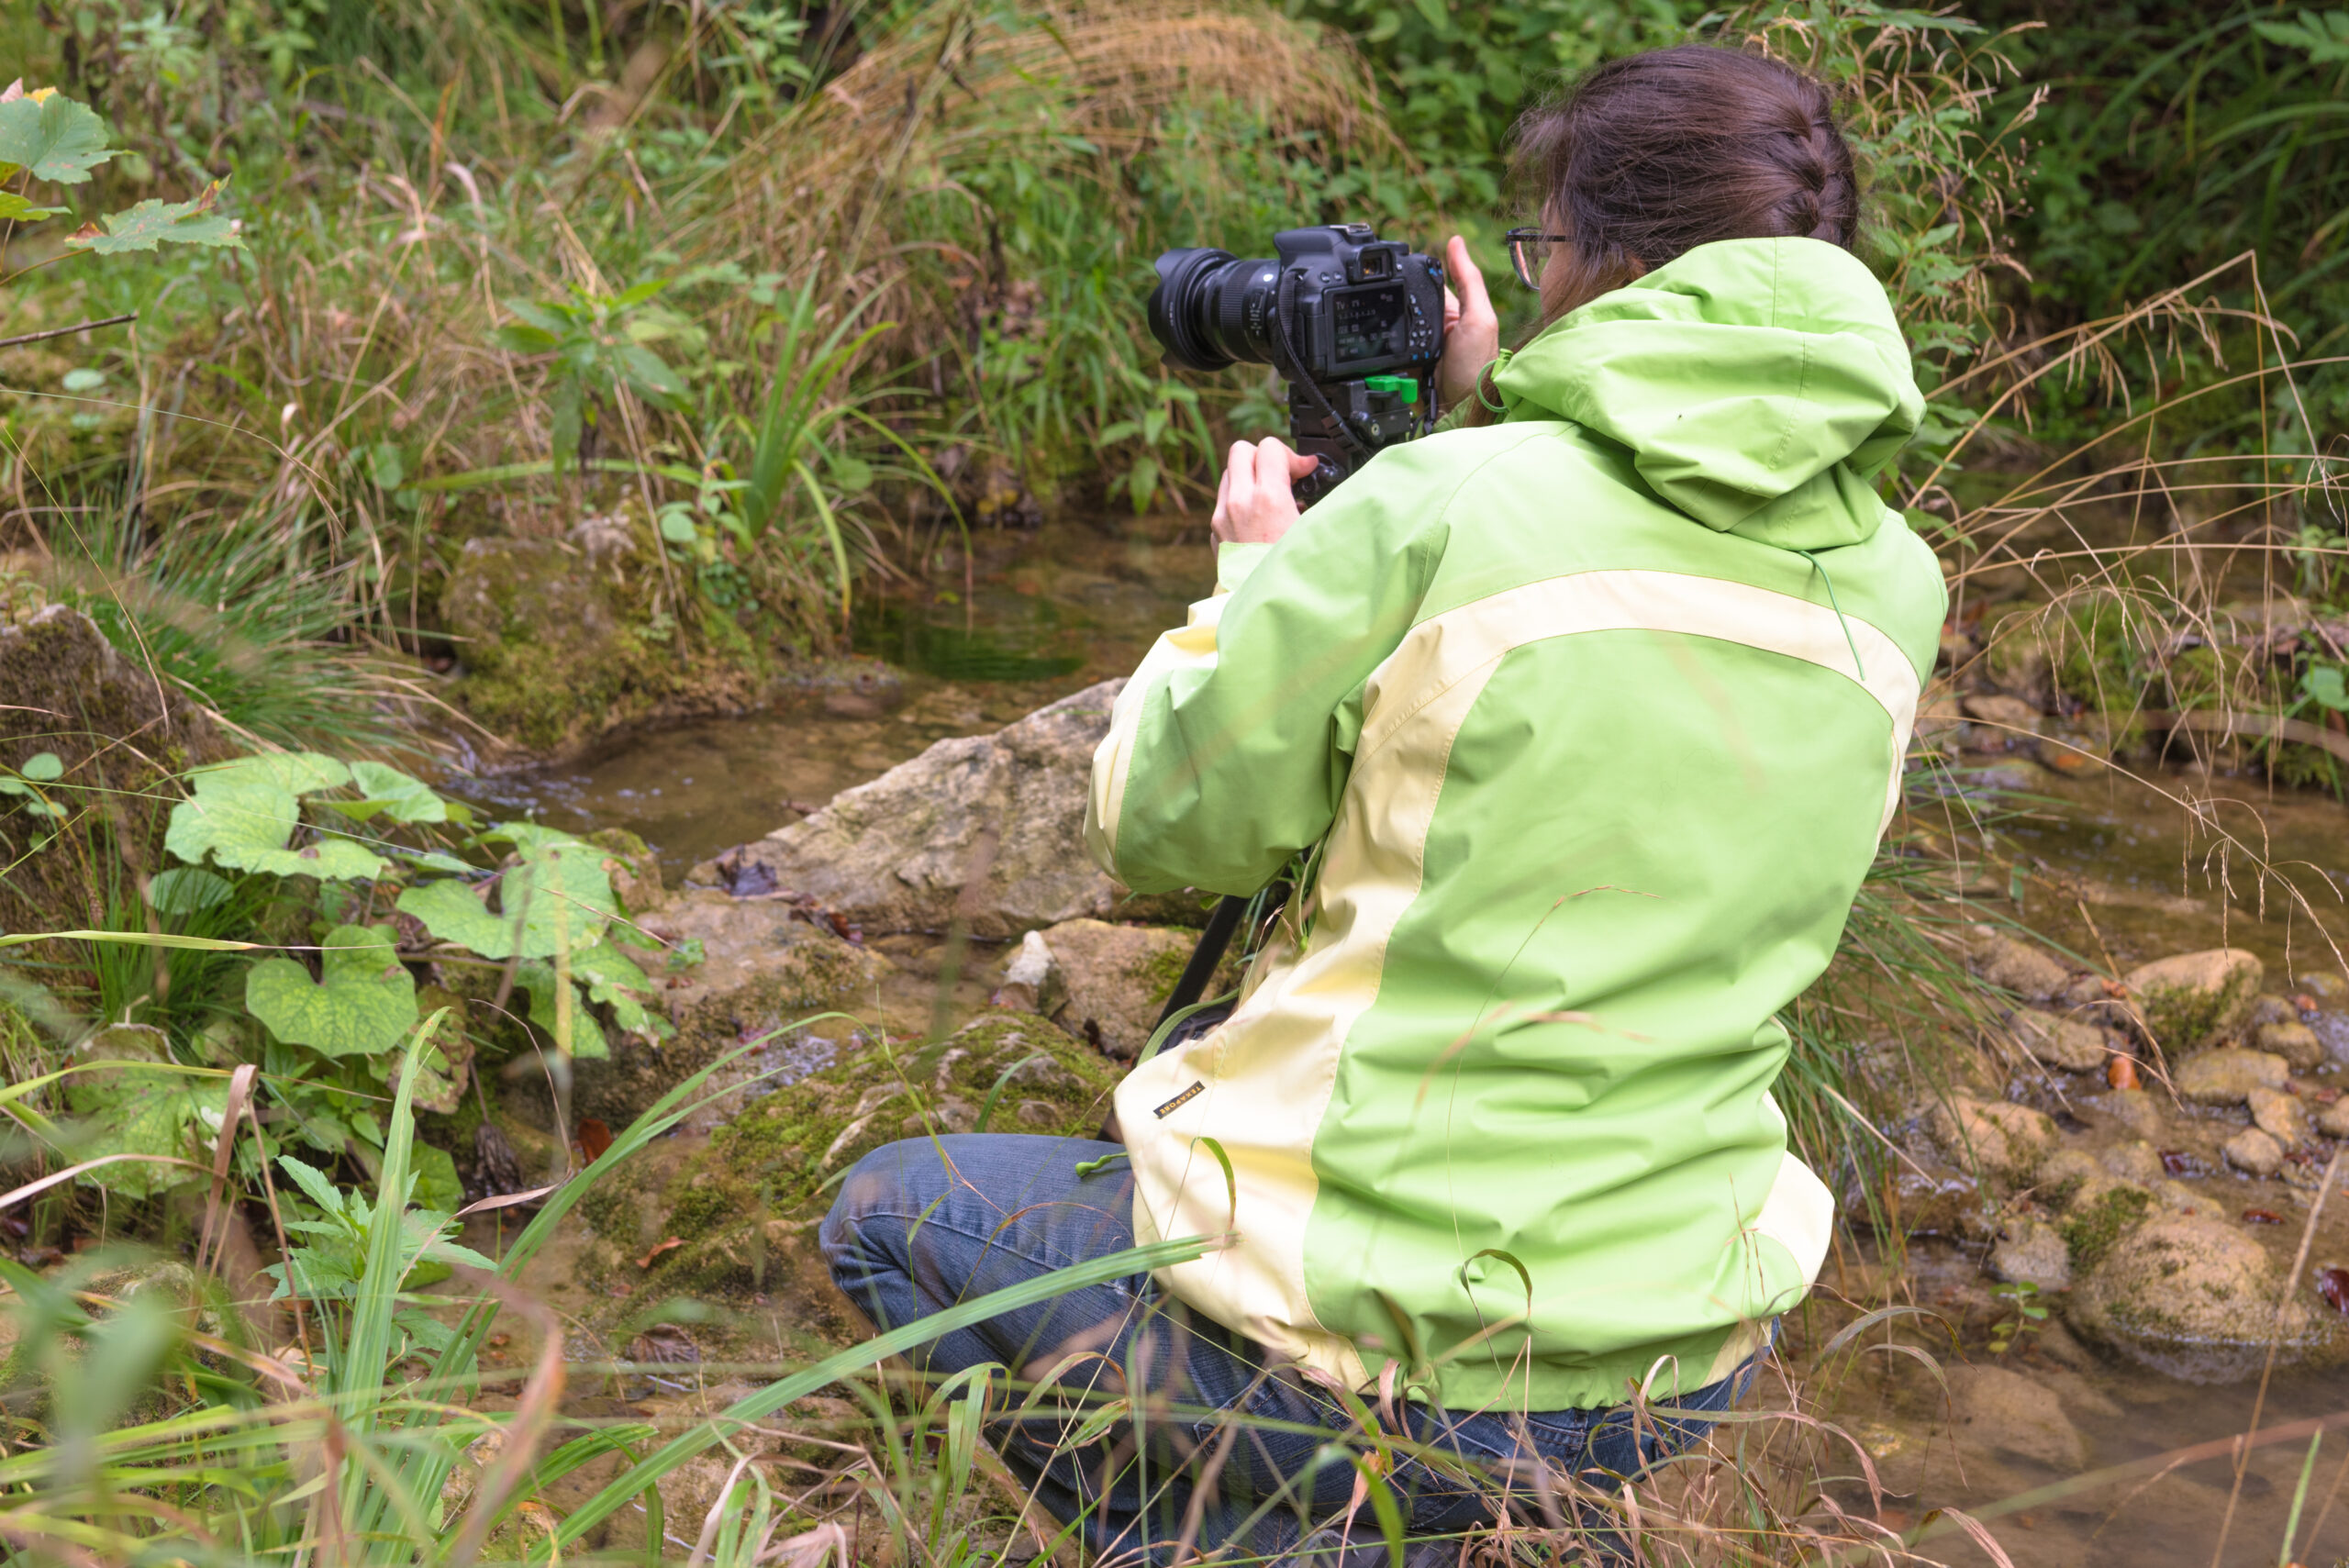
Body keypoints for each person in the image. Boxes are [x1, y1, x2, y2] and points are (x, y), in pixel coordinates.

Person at [822, 41, 1948, 1564]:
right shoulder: (1896, 582)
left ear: (1601, 257)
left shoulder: (1443, 511)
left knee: (894, 1214)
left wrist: (1259, 581)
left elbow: (1169, 824)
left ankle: (1258, 1543)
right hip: (1677, 1351)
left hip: (1379, 1348)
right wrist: (1503, 418)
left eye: (1543, 245)